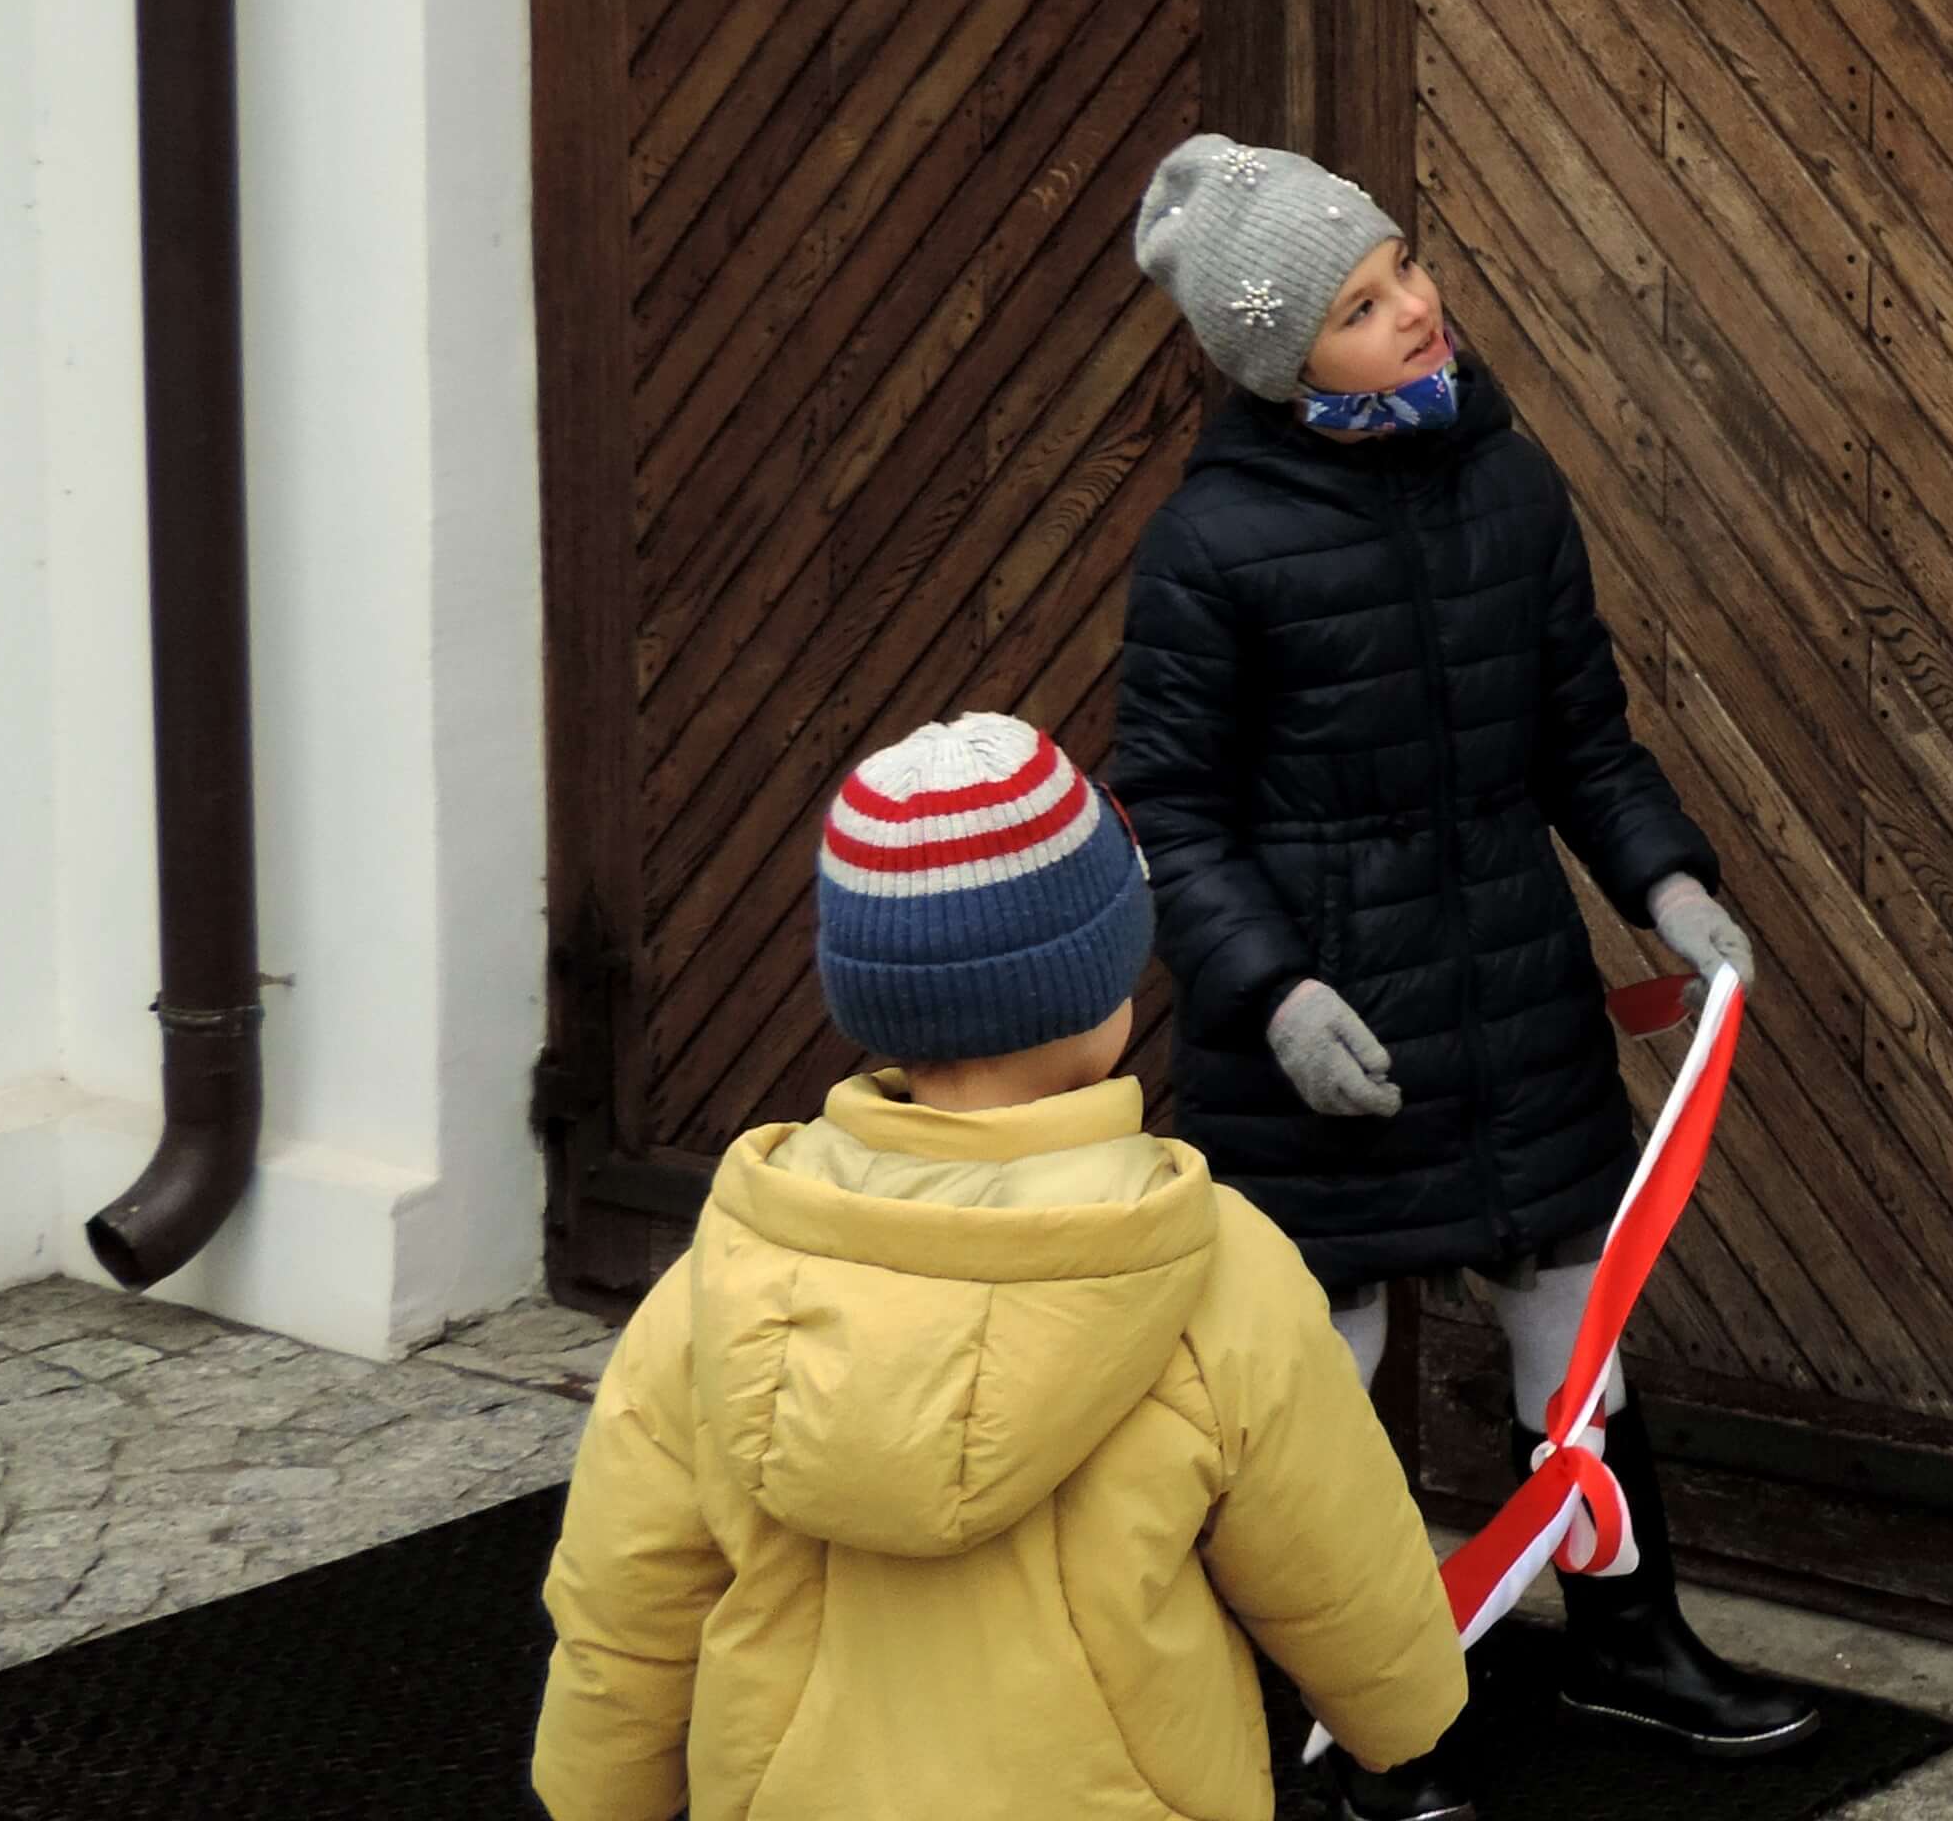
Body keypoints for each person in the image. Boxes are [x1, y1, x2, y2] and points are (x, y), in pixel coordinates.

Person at [1119, 132, 1818, 1759]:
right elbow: (1164, 805)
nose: (1416, 310)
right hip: (1324, 1026)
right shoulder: (1210, 546)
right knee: (1322, 1356)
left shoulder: (1508, 480)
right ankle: (1333, 1699)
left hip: (1509, 990)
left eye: (1404, 268)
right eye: (1362, 307)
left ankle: (1628, 1637)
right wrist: (1272, 993)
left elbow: (1581, 734)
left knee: (1571, 1322)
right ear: (1282, 361)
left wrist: (1665, 883)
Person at [531, 713, 1474, 1821]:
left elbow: (630, 1590)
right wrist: (1402, 1725)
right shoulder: (1219, 1272)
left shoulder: (729, 1271)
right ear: (1099, 991)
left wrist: (595, 1795)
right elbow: (1340, 1564)